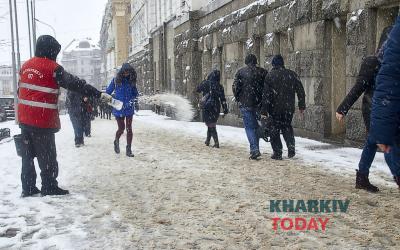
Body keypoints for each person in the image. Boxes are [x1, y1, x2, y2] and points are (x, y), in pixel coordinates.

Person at [17, 35, 112, 197]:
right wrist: (98, 94)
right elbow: (76, 84)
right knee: (47, 156)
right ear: (51, 50)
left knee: (27, 155)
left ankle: (28, 187)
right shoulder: (53, 68)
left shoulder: (25, 66)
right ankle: (49, 186)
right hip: (42, 119)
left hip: (24, 119)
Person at [336, 27, 392, 192]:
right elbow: (359, 87)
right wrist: (343, 108)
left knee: (374, 143)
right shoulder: (372, 62)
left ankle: (362, 177)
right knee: (374, 142)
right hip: (374, 109)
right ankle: (362, 177)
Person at [369, 16, 400, 189]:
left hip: (380, 112)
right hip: (381, 112)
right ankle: (362, 176)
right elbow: (389, 80)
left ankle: (362, 176)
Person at [261, 55, 305, 160]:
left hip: (274, 108)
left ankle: (277, 152)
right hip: (288, 107)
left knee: (274, 129)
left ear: (273, 64)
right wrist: (301, 106)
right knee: (287, 127)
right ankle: (291, 147)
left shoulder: (270, 76)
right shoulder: (292, 74)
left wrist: (264, 110)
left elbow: (266, 95)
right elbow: (300, 91)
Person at [233, 54, 267, 160]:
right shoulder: (263, 72)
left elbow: (235, 87)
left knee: (249, 127)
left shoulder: (240, 72)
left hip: (245, 103)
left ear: (246, 62)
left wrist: (238, 98)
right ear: (256, 61)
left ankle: (254, 149)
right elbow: (267, 88)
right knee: (257, 126)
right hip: (259, 103)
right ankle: (256, 147)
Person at [106, 63, 139, 157]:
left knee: (129, 129)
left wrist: (133, 101)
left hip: (128, 108)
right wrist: (112, 102)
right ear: (122, 72)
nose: (126, 74)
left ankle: (129, 149)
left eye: (128, 72)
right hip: (118, 108)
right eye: (125, 72)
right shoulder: (116, 81)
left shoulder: (131, 81)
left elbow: (135, 94)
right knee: (121, 128)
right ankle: (116, 141)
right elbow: (108, 92)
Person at [196, 70, 228, 148]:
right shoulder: (220, 86)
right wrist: (225, 109)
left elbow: (198, 89)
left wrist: (204, 80)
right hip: (216, 107)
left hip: (207, 106)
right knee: (211, 123)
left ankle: (216, 142)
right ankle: (207, 140)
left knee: (211, 124)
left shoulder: (206, 83)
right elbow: (223, 99)